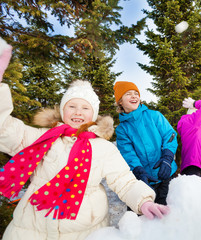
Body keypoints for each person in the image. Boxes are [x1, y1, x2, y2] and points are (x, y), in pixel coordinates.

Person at [0, 41, 169, 240]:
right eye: (72, 106)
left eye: (85, 108)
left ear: (93, 115)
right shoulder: (41, 138)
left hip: (85, 231)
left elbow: (123, 180)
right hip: (29, 230)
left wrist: (144, 201)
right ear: (63, 110)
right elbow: (5, 129)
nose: (78, 112)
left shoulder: (102, 147)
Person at [113, 81, 178, 205]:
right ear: (120, 101)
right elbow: (128, 153)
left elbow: (170, 135)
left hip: (167, 174)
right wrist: (139, 171)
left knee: (169, 213)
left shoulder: (154, 116)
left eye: (136, 93)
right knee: (144, 218)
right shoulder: (122, 129)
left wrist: (167, 157)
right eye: (128, 94)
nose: (134, 96)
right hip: (144, 181)